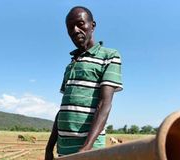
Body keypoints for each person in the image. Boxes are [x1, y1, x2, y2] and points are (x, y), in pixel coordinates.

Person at [45, 6, 123, 159]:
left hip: (89, 148)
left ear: (92, 26)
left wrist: (86, 148)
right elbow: (63, 109)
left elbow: (104, 104)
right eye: (70, 28)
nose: (74, 30)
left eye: (80, 24)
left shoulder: (109, 56)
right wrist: (49, 148)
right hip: (64, 148)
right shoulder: (70, 65)